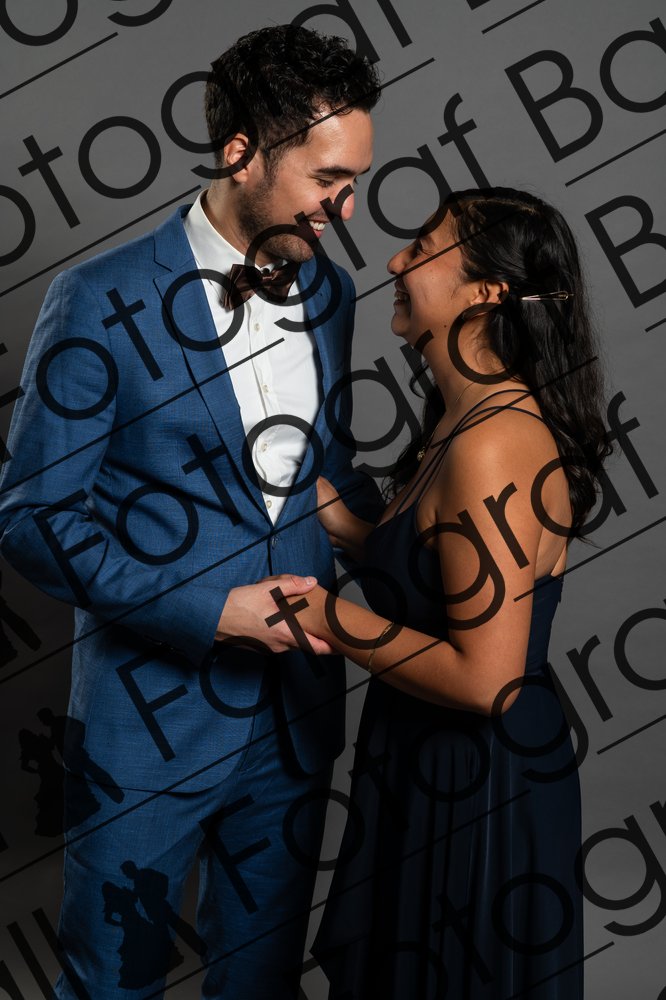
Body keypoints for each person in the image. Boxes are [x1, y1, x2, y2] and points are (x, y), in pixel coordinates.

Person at [0, 25, 382, 999]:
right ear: (243, 151)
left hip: (295, 719)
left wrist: (432, 552)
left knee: (260, 985)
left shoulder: (333, 294)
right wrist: (212, 611)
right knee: (108, 985)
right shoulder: (97, 297)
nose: (345, 209)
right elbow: (35, 519)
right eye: (327, 179)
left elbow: (324, 478)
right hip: (146, 721)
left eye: (355, 182)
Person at [286, 188, 610, 998]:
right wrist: (339, 521)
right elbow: (436, 572)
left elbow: (487, 680)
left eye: (423, 249)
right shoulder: (462, 420)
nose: (396, 261)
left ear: (487, 293)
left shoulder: (493, 443)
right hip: (427, 761)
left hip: (478, 783)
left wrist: (323, 614)